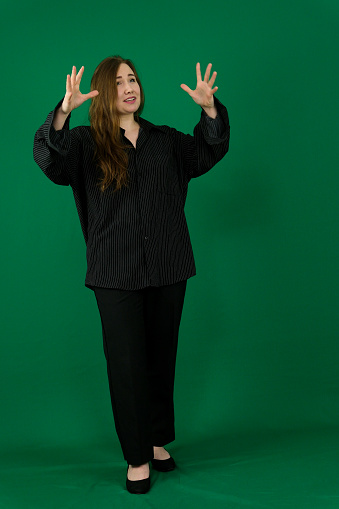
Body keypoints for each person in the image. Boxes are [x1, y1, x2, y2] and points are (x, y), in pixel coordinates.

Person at [33, 55, 230, 494]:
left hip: (169, 265)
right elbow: (50, 159)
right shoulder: (84, 143)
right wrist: (63, 112)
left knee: (161, 358)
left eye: (134, 78)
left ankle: (157, 440)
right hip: (114, 272)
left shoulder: (166, 141)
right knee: (126, 364)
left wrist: (210, 110)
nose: (129, 86)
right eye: (119, 81)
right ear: (102, 92)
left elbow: (208, 150)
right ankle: (137, 455)